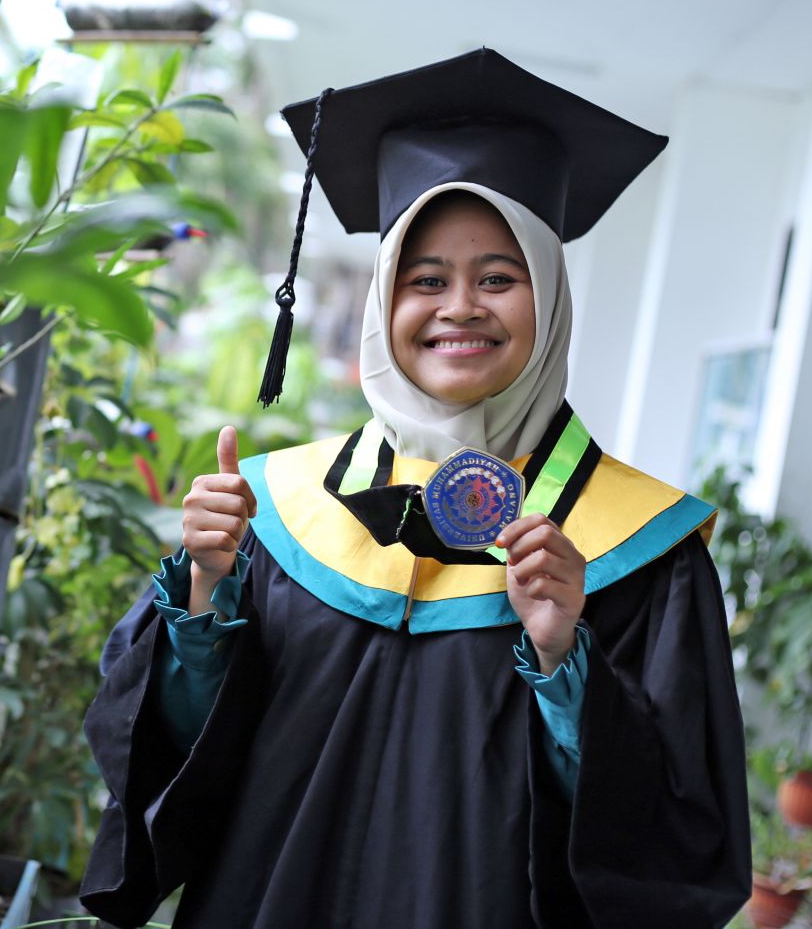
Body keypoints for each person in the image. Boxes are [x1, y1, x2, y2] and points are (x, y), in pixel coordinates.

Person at [79, 49, 750, 929]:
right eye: (425, 278)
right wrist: (205, 596)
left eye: (499, 279)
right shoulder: (278, 511)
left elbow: (674, 837)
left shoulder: (639, 551)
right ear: (382, 301)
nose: (460, 306)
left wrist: (562, 661)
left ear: (549, 302)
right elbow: (175, 752)